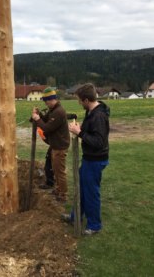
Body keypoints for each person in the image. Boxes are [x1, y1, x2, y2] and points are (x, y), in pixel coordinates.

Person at [62, 83, 109, 235]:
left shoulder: (99, 116)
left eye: (80, 101)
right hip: (89, 159)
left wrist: (80, 133)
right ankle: (75, 216)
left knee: (91, 193)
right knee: (81, 189)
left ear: (87, 100)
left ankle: (94, 225)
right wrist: (82, 129)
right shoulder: (92, 113)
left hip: (95, 161)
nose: (79, 103)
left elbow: (99, 142)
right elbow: (93, 132)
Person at [31, 87, 70, 202]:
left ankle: (63, 195)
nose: (45, 103)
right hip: (55, 145)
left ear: (51, 99)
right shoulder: (53, 110)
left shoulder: (59, 112)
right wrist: (40, 115)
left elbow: (47, 128)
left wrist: (37, 119)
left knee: (60, 172)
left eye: (46, 101)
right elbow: (46, 119)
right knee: (56, 170)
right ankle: (58, 189)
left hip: (60, 147)